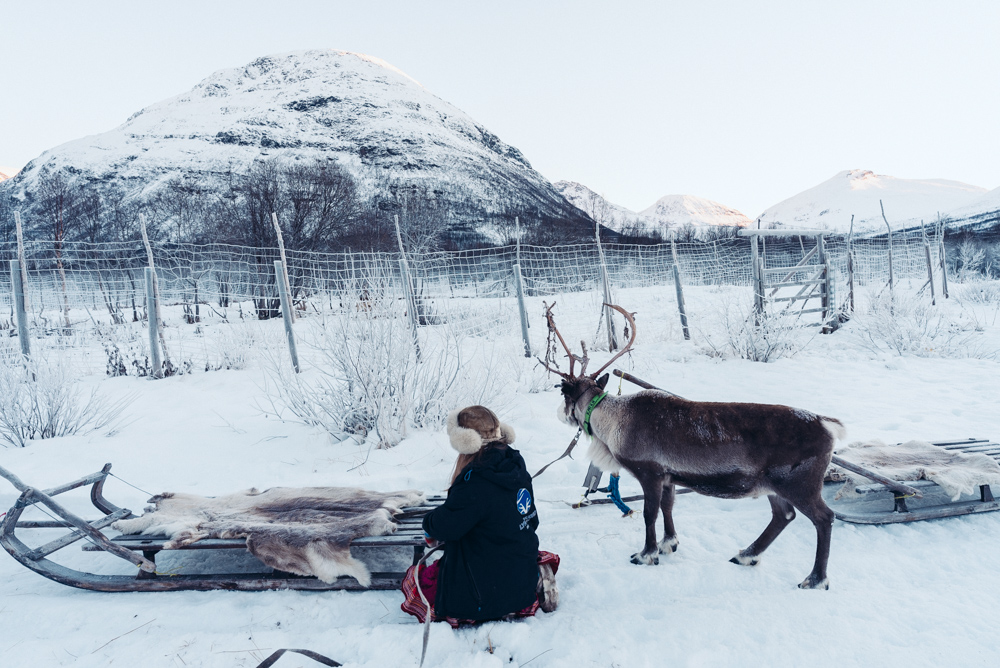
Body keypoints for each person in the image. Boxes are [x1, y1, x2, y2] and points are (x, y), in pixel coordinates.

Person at [400, 406, 559, 627]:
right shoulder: (516, 466)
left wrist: (429, 522)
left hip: (485, 594)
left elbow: (445, 527)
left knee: (421, 580)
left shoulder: (474, 482)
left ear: (464, 442)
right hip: (522, 580)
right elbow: (532, 520)